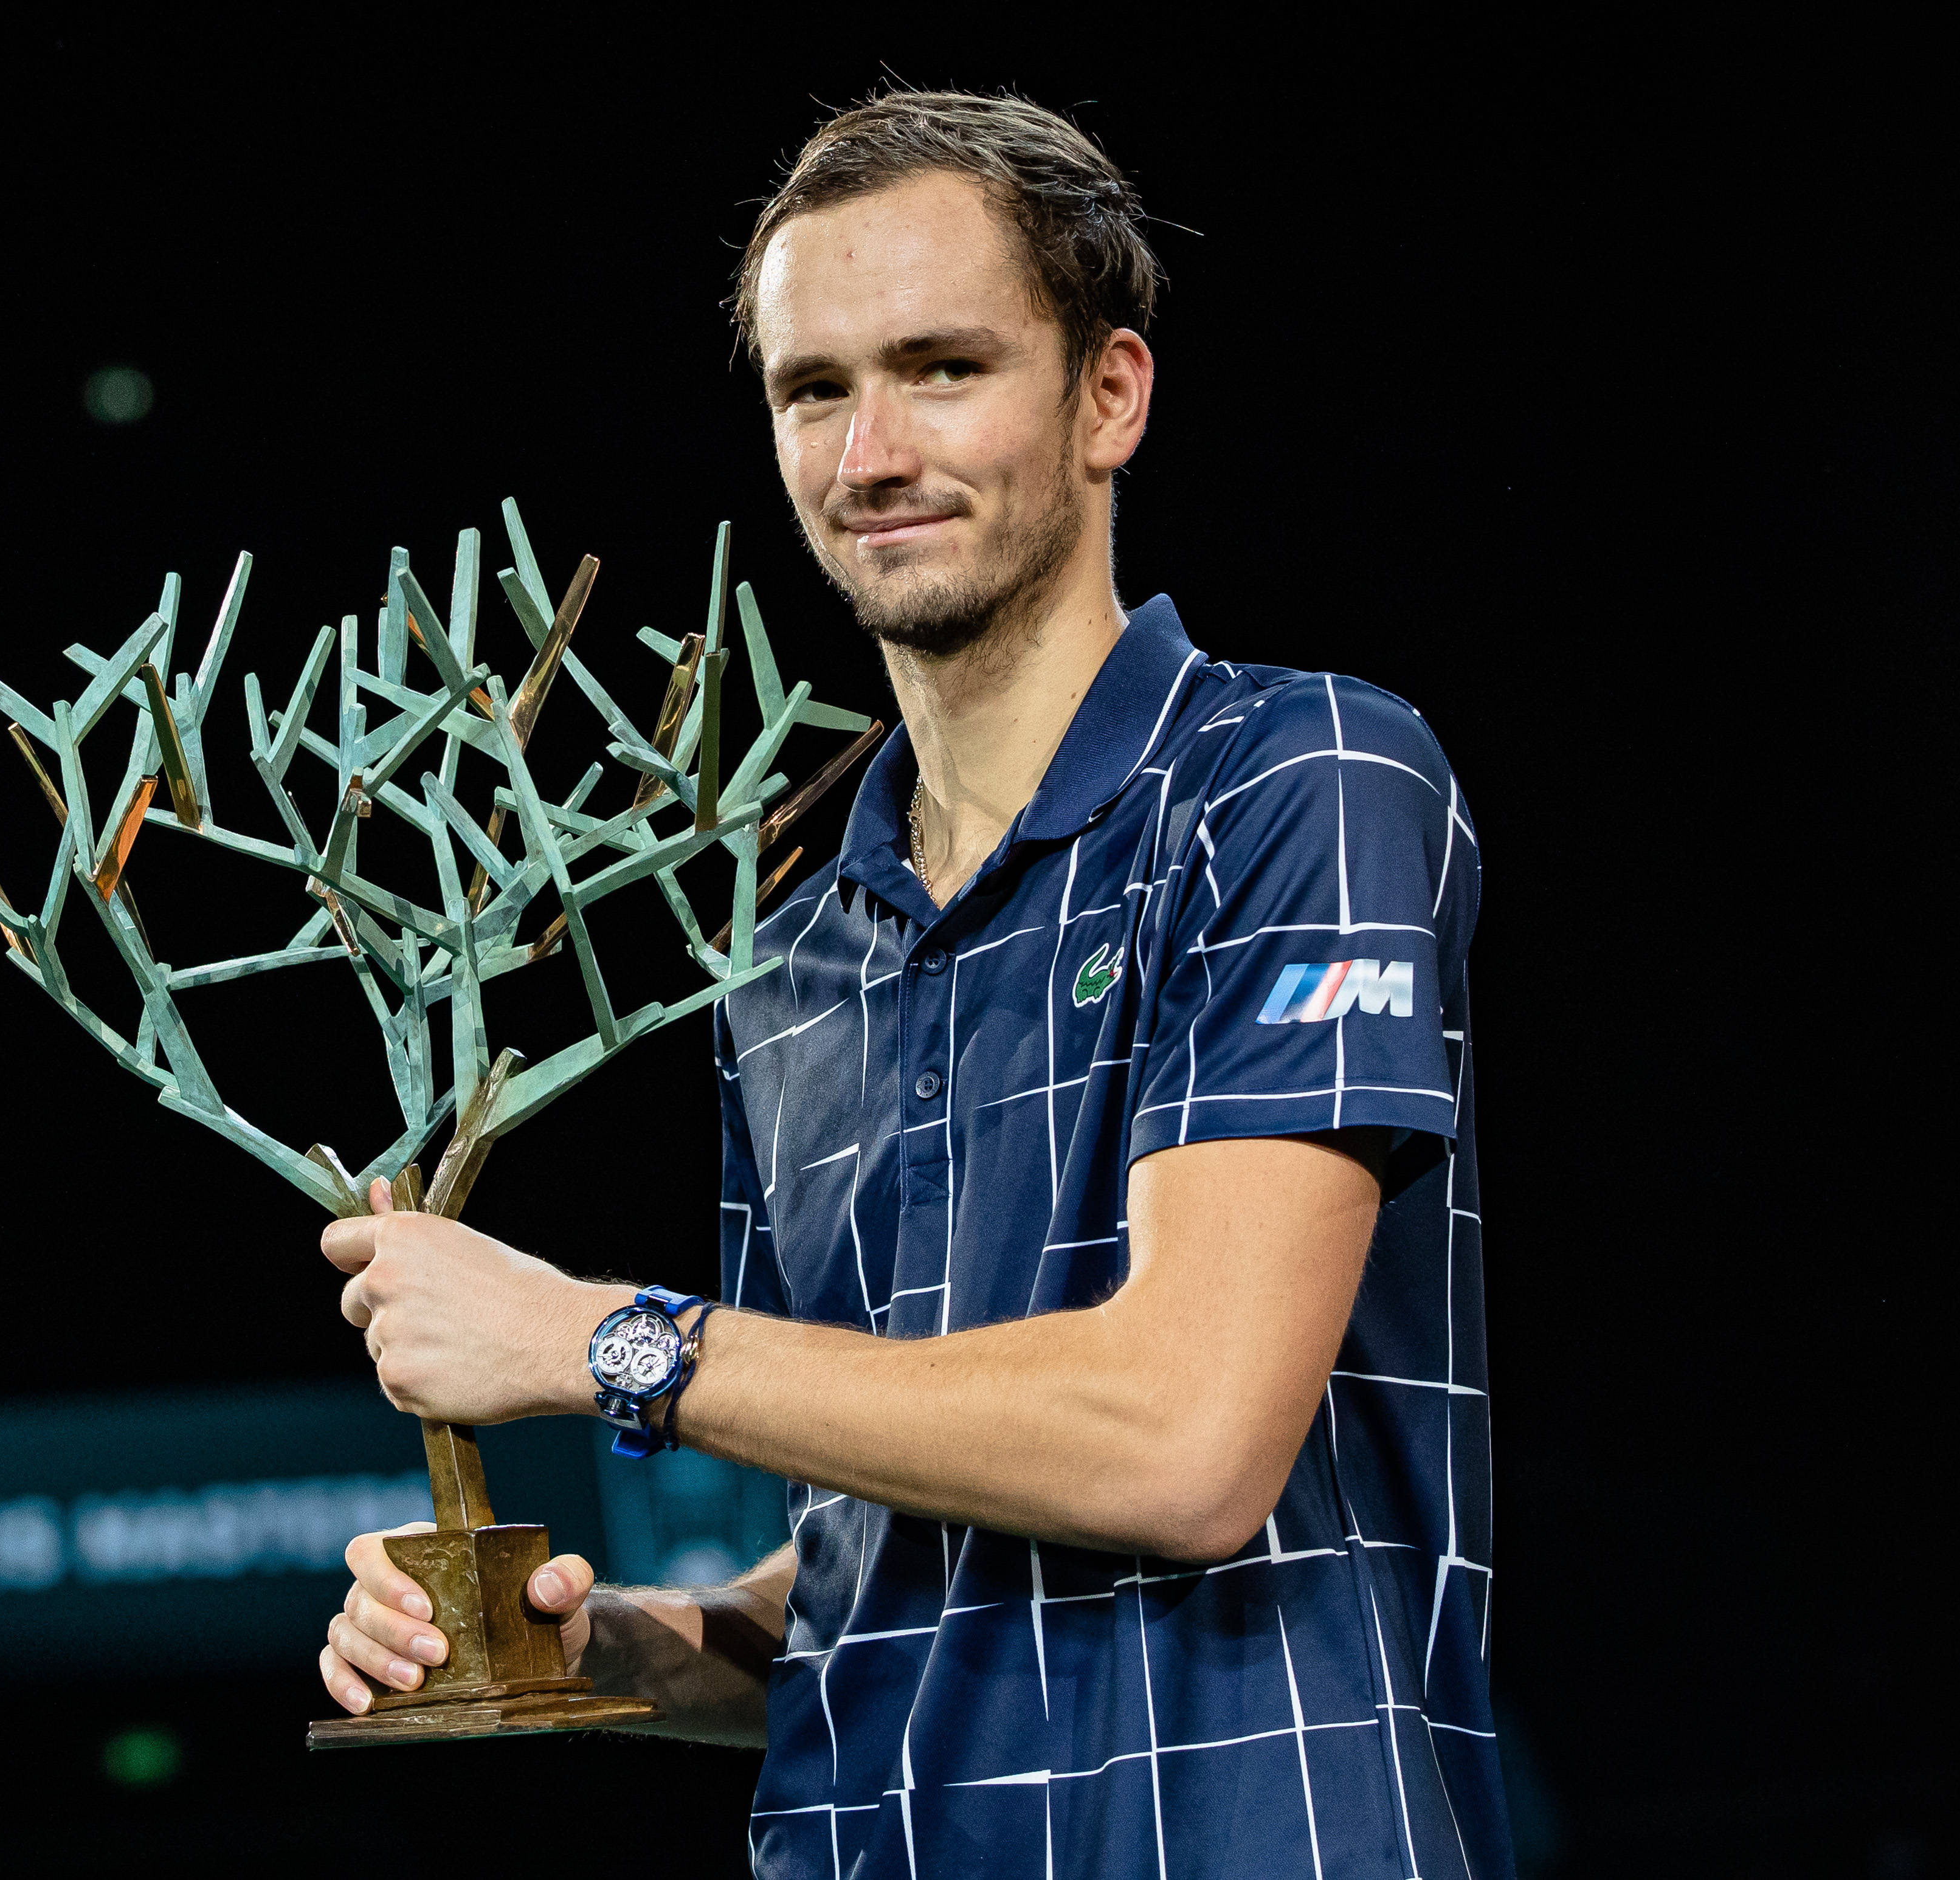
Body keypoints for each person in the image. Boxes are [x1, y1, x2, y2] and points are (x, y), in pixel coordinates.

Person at [318, 89, 1507, 1879]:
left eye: (944, 368)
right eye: (815, 390)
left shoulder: (1299, 780)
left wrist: (597, 1338)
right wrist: (621, 1645)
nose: (872, 451)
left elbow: (1183, 1440)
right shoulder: (785, 952)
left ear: (1111, 394)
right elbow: (881, 1548)